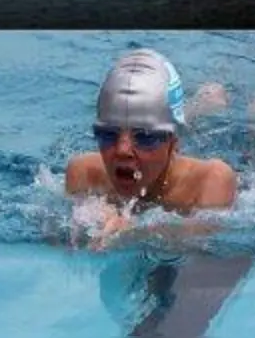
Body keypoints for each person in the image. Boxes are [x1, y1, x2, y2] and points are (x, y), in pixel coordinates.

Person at [65, 49, 237, 230]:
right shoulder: (84, 174)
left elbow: (199, 245)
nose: (122, 150)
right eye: (108, 134)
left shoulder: (211, 179)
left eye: (145, 137)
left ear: (172, 143)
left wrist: (129, 231)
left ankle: (211, 103)